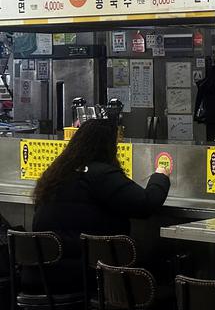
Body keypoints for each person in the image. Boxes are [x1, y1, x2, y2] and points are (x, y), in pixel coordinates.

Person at [31, 119, 171, 288]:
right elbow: (146, 204)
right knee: (163, 258)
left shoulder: (57, 172)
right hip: (89, 273)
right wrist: (160, 176)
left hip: (45, 271)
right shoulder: (102, 174)